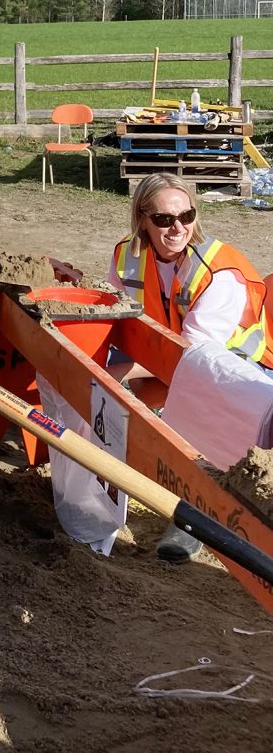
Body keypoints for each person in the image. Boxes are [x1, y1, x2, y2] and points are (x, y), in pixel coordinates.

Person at [109, 171, 273, 561]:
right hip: (162, 366)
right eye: (164, 219)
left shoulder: (220, 271)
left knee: (200, 430)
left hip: (239, 375)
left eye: (186, 216)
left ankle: (196, 517)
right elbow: (119, 316)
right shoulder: (126, 257)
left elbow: (196, 359)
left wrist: (118, 374)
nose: (177, 228)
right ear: (142, 220)